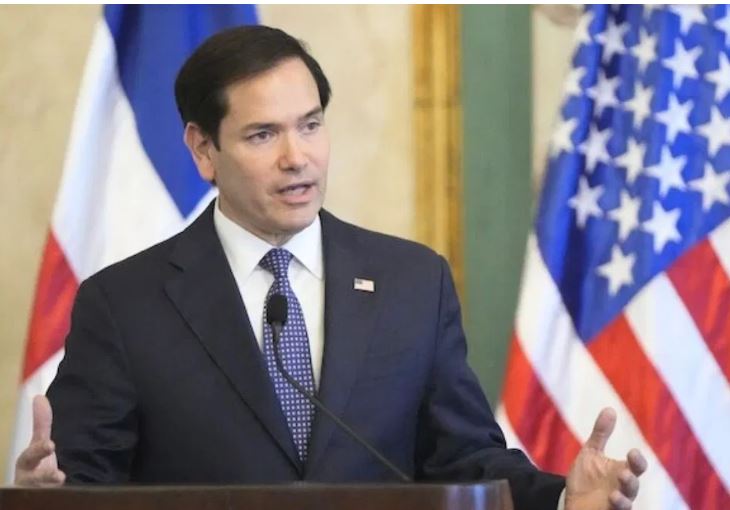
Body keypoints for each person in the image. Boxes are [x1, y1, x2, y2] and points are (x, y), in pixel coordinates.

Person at [14, 25, 646, 510]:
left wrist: (562, 498)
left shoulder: (412, 283)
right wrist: (42, 498)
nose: (298, 157)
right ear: (203, 149)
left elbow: (464, 458)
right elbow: (81, 483)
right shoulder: (125, 304)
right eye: (263, 135)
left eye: (310, 125)